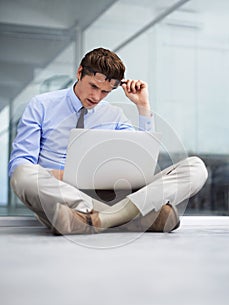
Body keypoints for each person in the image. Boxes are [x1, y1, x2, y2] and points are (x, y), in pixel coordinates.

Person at [8, 47, 208, 234]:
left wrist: (143, 108)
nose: (96, 96)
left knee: (196, 168)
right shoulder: (41, 106)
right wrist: (62, 175)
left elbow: (141, 164)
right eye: (93, 86)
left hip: (111, 191)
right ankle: (132, 217)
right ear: (79, 73)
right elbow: (20, 163)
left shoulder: (115, 115)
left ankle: (95, 220)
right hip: (62, 192)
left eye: (105, 92)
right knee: (22, 175)